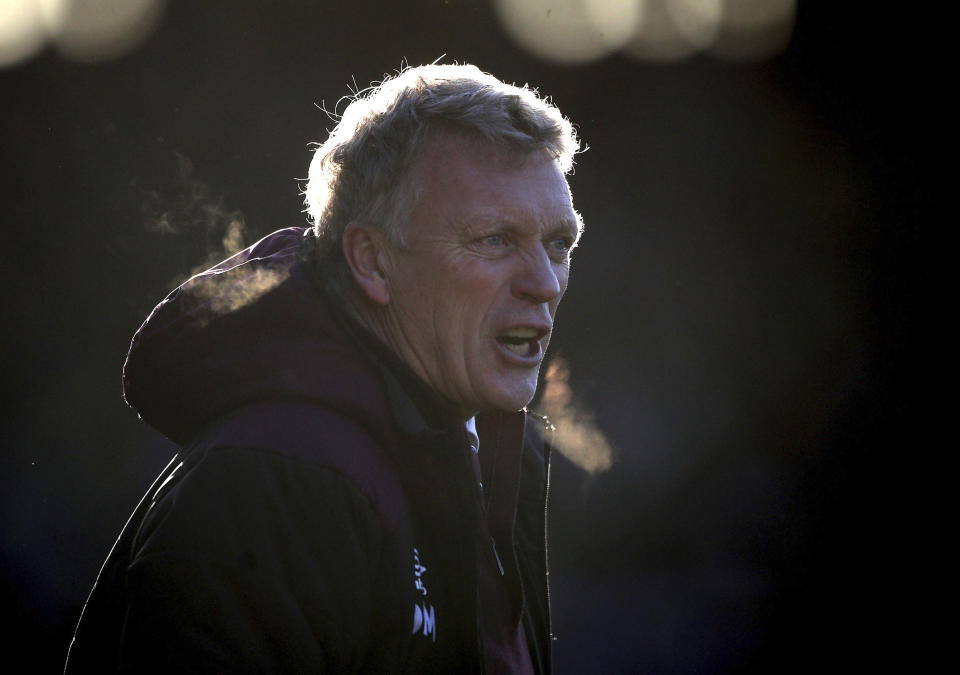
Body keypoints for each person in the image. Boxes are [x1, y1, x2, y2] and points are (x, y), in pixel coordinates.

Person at [65, 63, 583, 673]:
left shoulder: (486, 455)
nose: (545, 284)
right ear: (373, 261)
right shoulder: (274, 480)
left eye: (559, 244)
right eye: (495, 240)